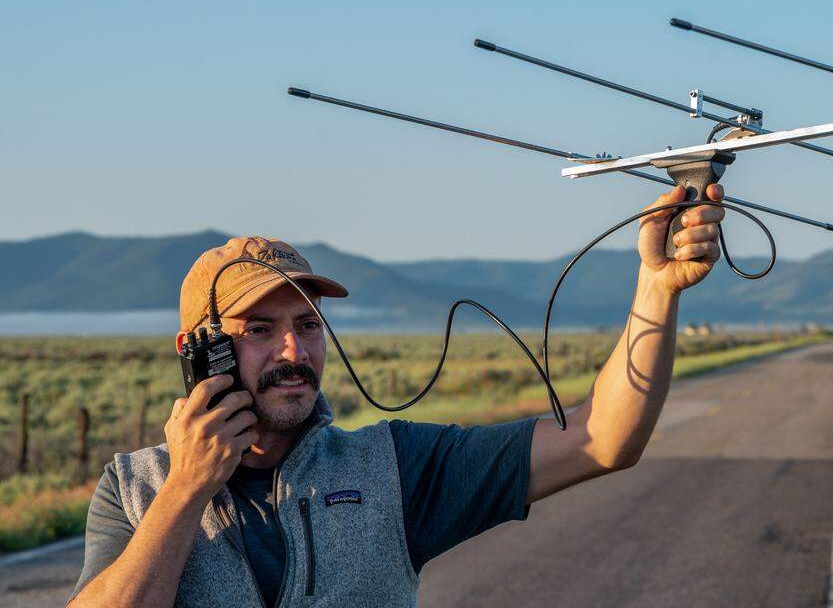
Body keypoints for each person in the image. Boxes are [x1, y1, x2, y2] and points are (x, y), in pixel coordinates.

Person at [68, 184, 726, 607]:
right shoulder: (133, 488)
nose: (294, 353)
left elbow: (601, 440)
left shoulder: (395, 465)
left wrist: (657, 289)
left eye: (307, 326)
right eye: (260, 331)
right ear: (197, 351)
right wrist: (185, 489)